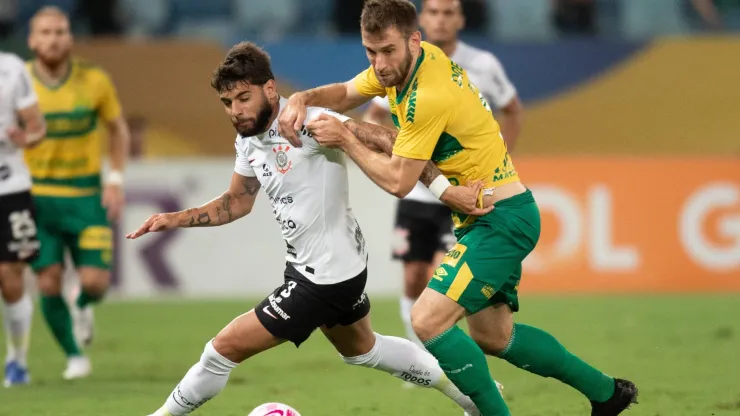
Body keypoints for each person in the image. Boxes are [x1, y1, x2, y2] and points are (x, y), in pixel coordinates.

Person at [278, 1, 638, 415]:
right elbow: (346, 92)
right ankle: (608, 393)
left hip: (500, 220)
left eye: (388, 51)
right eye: (370, 52)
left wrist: (346, 137)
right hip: (488, 216)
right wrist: (302, 98)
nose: (379, 64)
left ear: (414, 40)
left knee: (428, 319)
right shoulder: (419, 61)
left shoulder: (427, 95)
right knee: (494, 337)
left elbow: (399, 181)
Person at [127, 41, 490, 416]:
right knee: (363, 350)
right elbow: (236, 202)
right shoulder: (248, 141)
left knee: (220, 351)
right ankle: (475, 396)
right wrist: (175, 218)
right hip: (322, 265)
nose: (235, 111)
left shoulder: (311, 121)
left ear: (269, 88)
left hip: (324, 277)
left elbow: (390, 139)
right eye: (227, 103)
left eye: (243, 98)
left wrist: (447, 191)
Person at [363, 0, 523, 352]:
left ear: (461, 19)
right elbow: (373, 116)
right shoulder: (399, 64)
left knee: (443, 279)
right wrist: (399, 147)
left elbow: (511, 109)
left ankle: (443, 358)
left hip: (462, 193)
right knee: (412, 277)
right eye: (434, 12)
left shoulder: (482, 64)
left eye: (449, 12)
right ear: (421, 22)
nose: (441, 19)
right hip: (420, 193)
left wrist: (497, 156)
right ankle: (420, 356)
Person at [25, 6, 130, 380]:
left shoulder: (94, 80)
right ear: (32, 40)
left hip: (86, 195)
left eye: (61, 31)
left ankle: (82, 303)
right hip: (37, 197)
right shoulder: (15, 83)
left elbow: (117, 130)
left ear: (70, 37)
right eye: (46, 32)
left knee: (95, 284)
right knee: (47, 280)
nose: (54, 38)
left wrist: (115, 179)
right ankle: (74, 356)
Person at [0, 50, 46, 387]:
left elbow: (37, 127)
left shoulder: (11, 69)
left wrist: (25, 138)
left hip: (9, 185)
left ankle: (17, 359)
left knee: (9, 273)